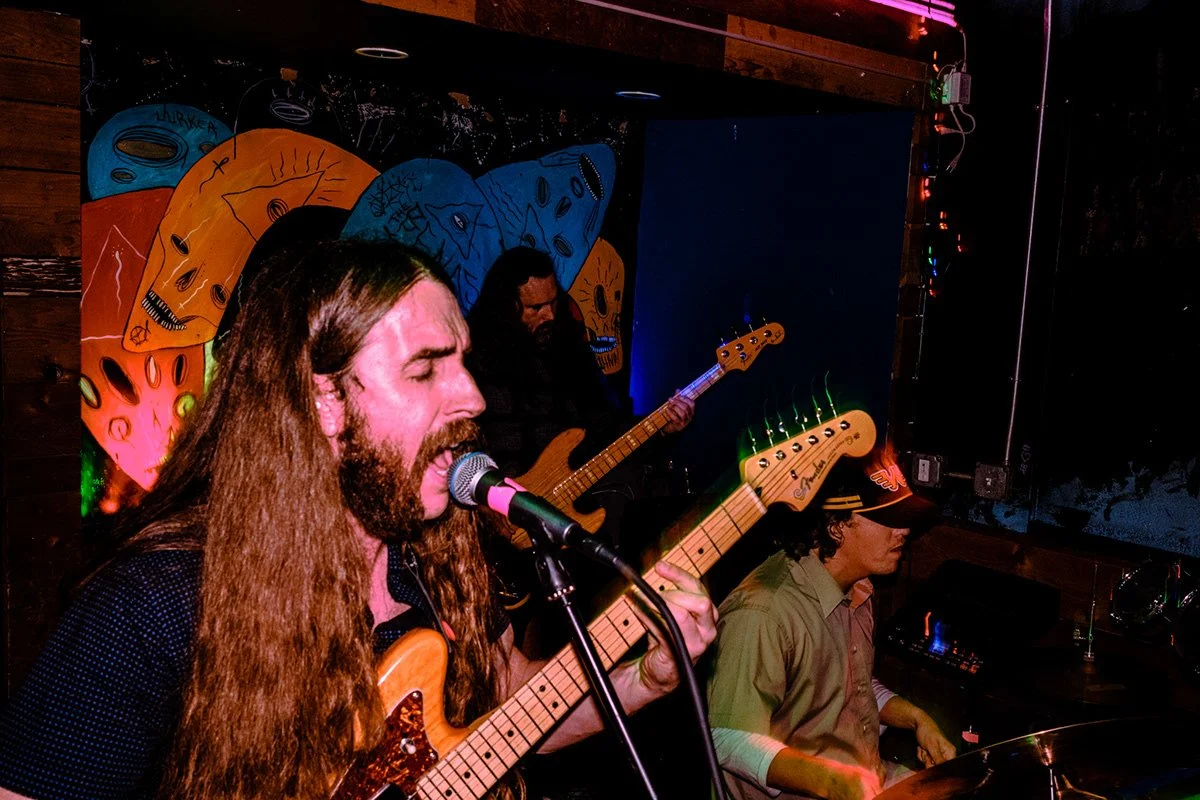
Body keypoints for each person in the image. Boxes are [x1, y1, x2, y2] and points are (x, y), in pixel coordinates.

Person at [0, 239, 717, 800]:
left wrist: (643, 681)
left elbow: (507, 709)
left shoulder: (436, 554)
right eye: (426, 369)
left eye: (463, 362)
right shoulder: (158, 603)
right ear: (325, 403)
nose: (471, 396)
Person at [706, 448, 957, 800]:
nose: (904, 531)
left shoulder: (858, 587)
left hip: (867, 779)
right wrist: (829, 780)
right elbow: (725, 737)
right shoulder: (763, 610)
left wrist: (916, 718)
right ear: (836, 526)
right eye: (889, 519)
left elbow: (849, 684)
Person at [466, 246, 693, 480]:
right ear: (508, 307)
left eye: (553, 302)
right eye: (536, 308)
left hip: (582, 495)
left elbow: (609, 425)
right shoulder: (481, 363)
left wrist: (662, 429)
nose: (550, 315)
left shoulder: (569, 347)